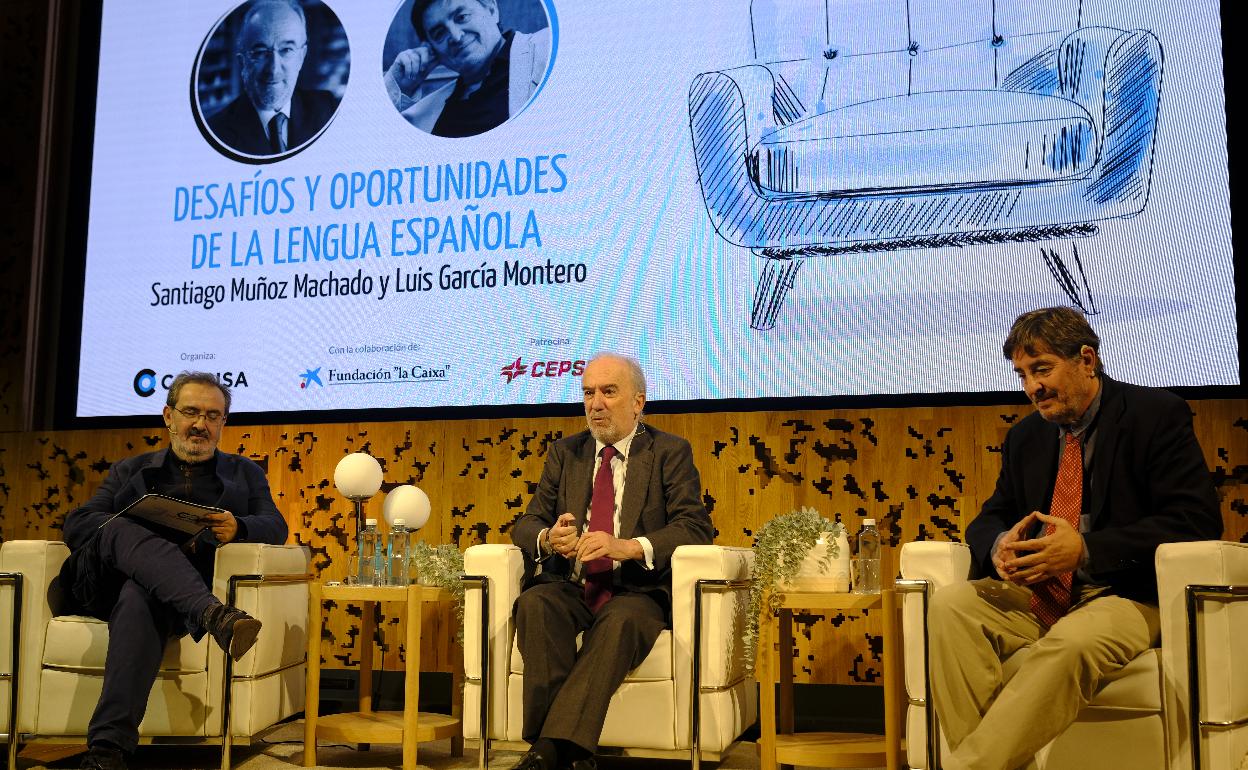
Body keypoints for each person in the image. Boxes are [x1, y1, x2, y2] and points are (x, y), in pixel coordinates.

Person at [927, 307, 1222, 770]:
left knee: (1070, 643)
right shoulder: (1026, 436)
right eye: (1023, 375)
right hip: (1042, 592)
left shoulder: (1155, 415)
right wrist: (999, 545)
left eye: (1042, 369)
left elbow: (1195, 520)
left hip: (1125, 592)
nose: (1032, 387)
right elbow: (991, 516)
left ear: (1086, 360)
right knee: (950, 606)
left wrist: (1086, 550)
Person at [59, 372, 289, 770]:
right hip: (103, 584)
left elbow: (276, 525)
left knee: (139, 597)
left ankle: (107, 751)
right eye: (191, 412)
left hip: (165, 595)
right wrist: (126, 526)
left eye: (212, 416)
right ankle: (213, 614)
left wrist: (240, 526)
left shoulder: (244, 474)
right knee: (119, 528)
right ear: (169, 416)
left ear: (223, 422)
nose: (200, 424)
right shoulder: (130, 469)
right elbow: (78, 522)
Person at [510, 353, 714, 770]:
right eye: (588, 393)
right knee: (535, 604)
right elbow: (527, 522)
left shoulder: (669, 451)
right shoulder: (566, 452)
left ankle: (547, 751)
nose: (596, 403)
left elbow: (694, 527)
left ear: (638, 402)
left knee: (620, 621)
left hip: (636, 590)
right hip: (572, 584)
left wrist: (627, 546)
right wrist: (549, 538)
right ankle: (573, 753)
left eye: (608, 392)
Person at [383, 0, 551, 137]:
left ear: (492, 9)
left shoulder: (550, 46)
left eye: (462, 17)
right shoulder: (426, 113)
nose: (456, 36)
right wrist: (399, 86)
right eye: (439, 33)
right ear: (431, 48)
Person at [207, 0, 338, 156]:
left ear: (301, 56)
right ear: (242, 62)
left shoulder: (327, 108)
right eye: (260, 52)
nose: (273, 69)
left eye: (287, 50)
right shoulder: (215, 132)